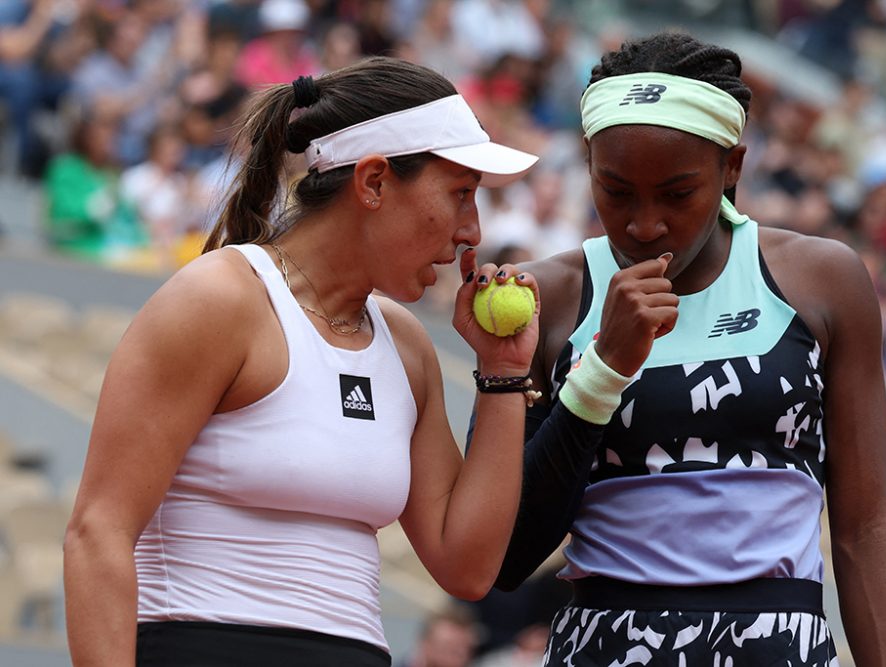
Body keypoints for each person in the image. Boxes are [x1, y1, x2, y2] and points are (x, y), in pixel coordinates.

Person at [63, 57, 540, 666]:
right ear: (372, 183)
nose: (472, 231)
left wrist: (503, 374)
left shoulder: (407, 345)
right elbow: (97, 532)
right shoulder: (219, 299)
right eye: (460, 195)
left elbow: (467, 568)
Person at [478, 31, 886, 665]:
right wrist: (602, 370)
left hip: (777, 644)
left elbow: (865, 525)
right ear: (588, 162)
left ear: (732, 167)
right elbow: (504, 558)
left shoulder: (822, 280)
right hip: (606, 643)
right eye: (616, 190)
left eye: (678, 194)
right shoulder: (546, 297)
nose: (644, 224)